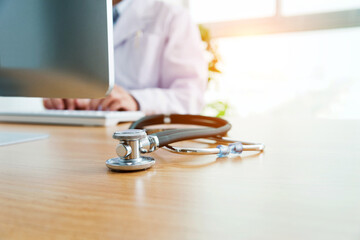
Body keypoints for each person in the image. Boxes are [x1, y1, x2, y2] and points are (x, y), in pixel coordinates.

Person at [43, 0, 207, 115]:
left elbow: (190, 97)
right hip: (77, 139)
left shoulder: (172, 17)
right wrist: (62, 95)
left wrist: (137, 101)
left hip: (147, 140)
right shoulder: (73, 19)